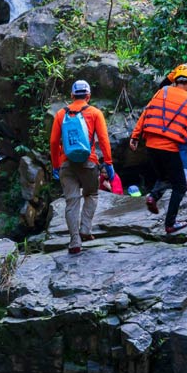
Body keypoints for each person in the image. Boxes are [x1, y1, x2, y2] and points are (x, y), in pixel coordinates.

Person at [130, 65, 187, 235]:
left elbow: (145, 113)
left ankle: (153, 196)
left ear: (175, 81)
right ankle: (170, 224)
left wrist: (135, 136)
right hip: (170, 148)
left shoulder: (161, 93)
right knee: (180, 186)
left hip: (151, 146)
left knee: (165, 177)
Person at [49, 80, 114, 255]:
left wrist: (56, 165)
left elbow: (54, 142)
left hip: (66, 163)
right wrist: (108, 162)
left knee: (71, 201)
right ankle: (85, 229)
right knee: (91, 194)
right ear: (88, 96)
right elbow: (103, 139)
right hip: (89, 162)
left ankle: (74, 242)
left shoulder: (61, 114)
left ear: (71, 95)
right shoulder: (95, 113)